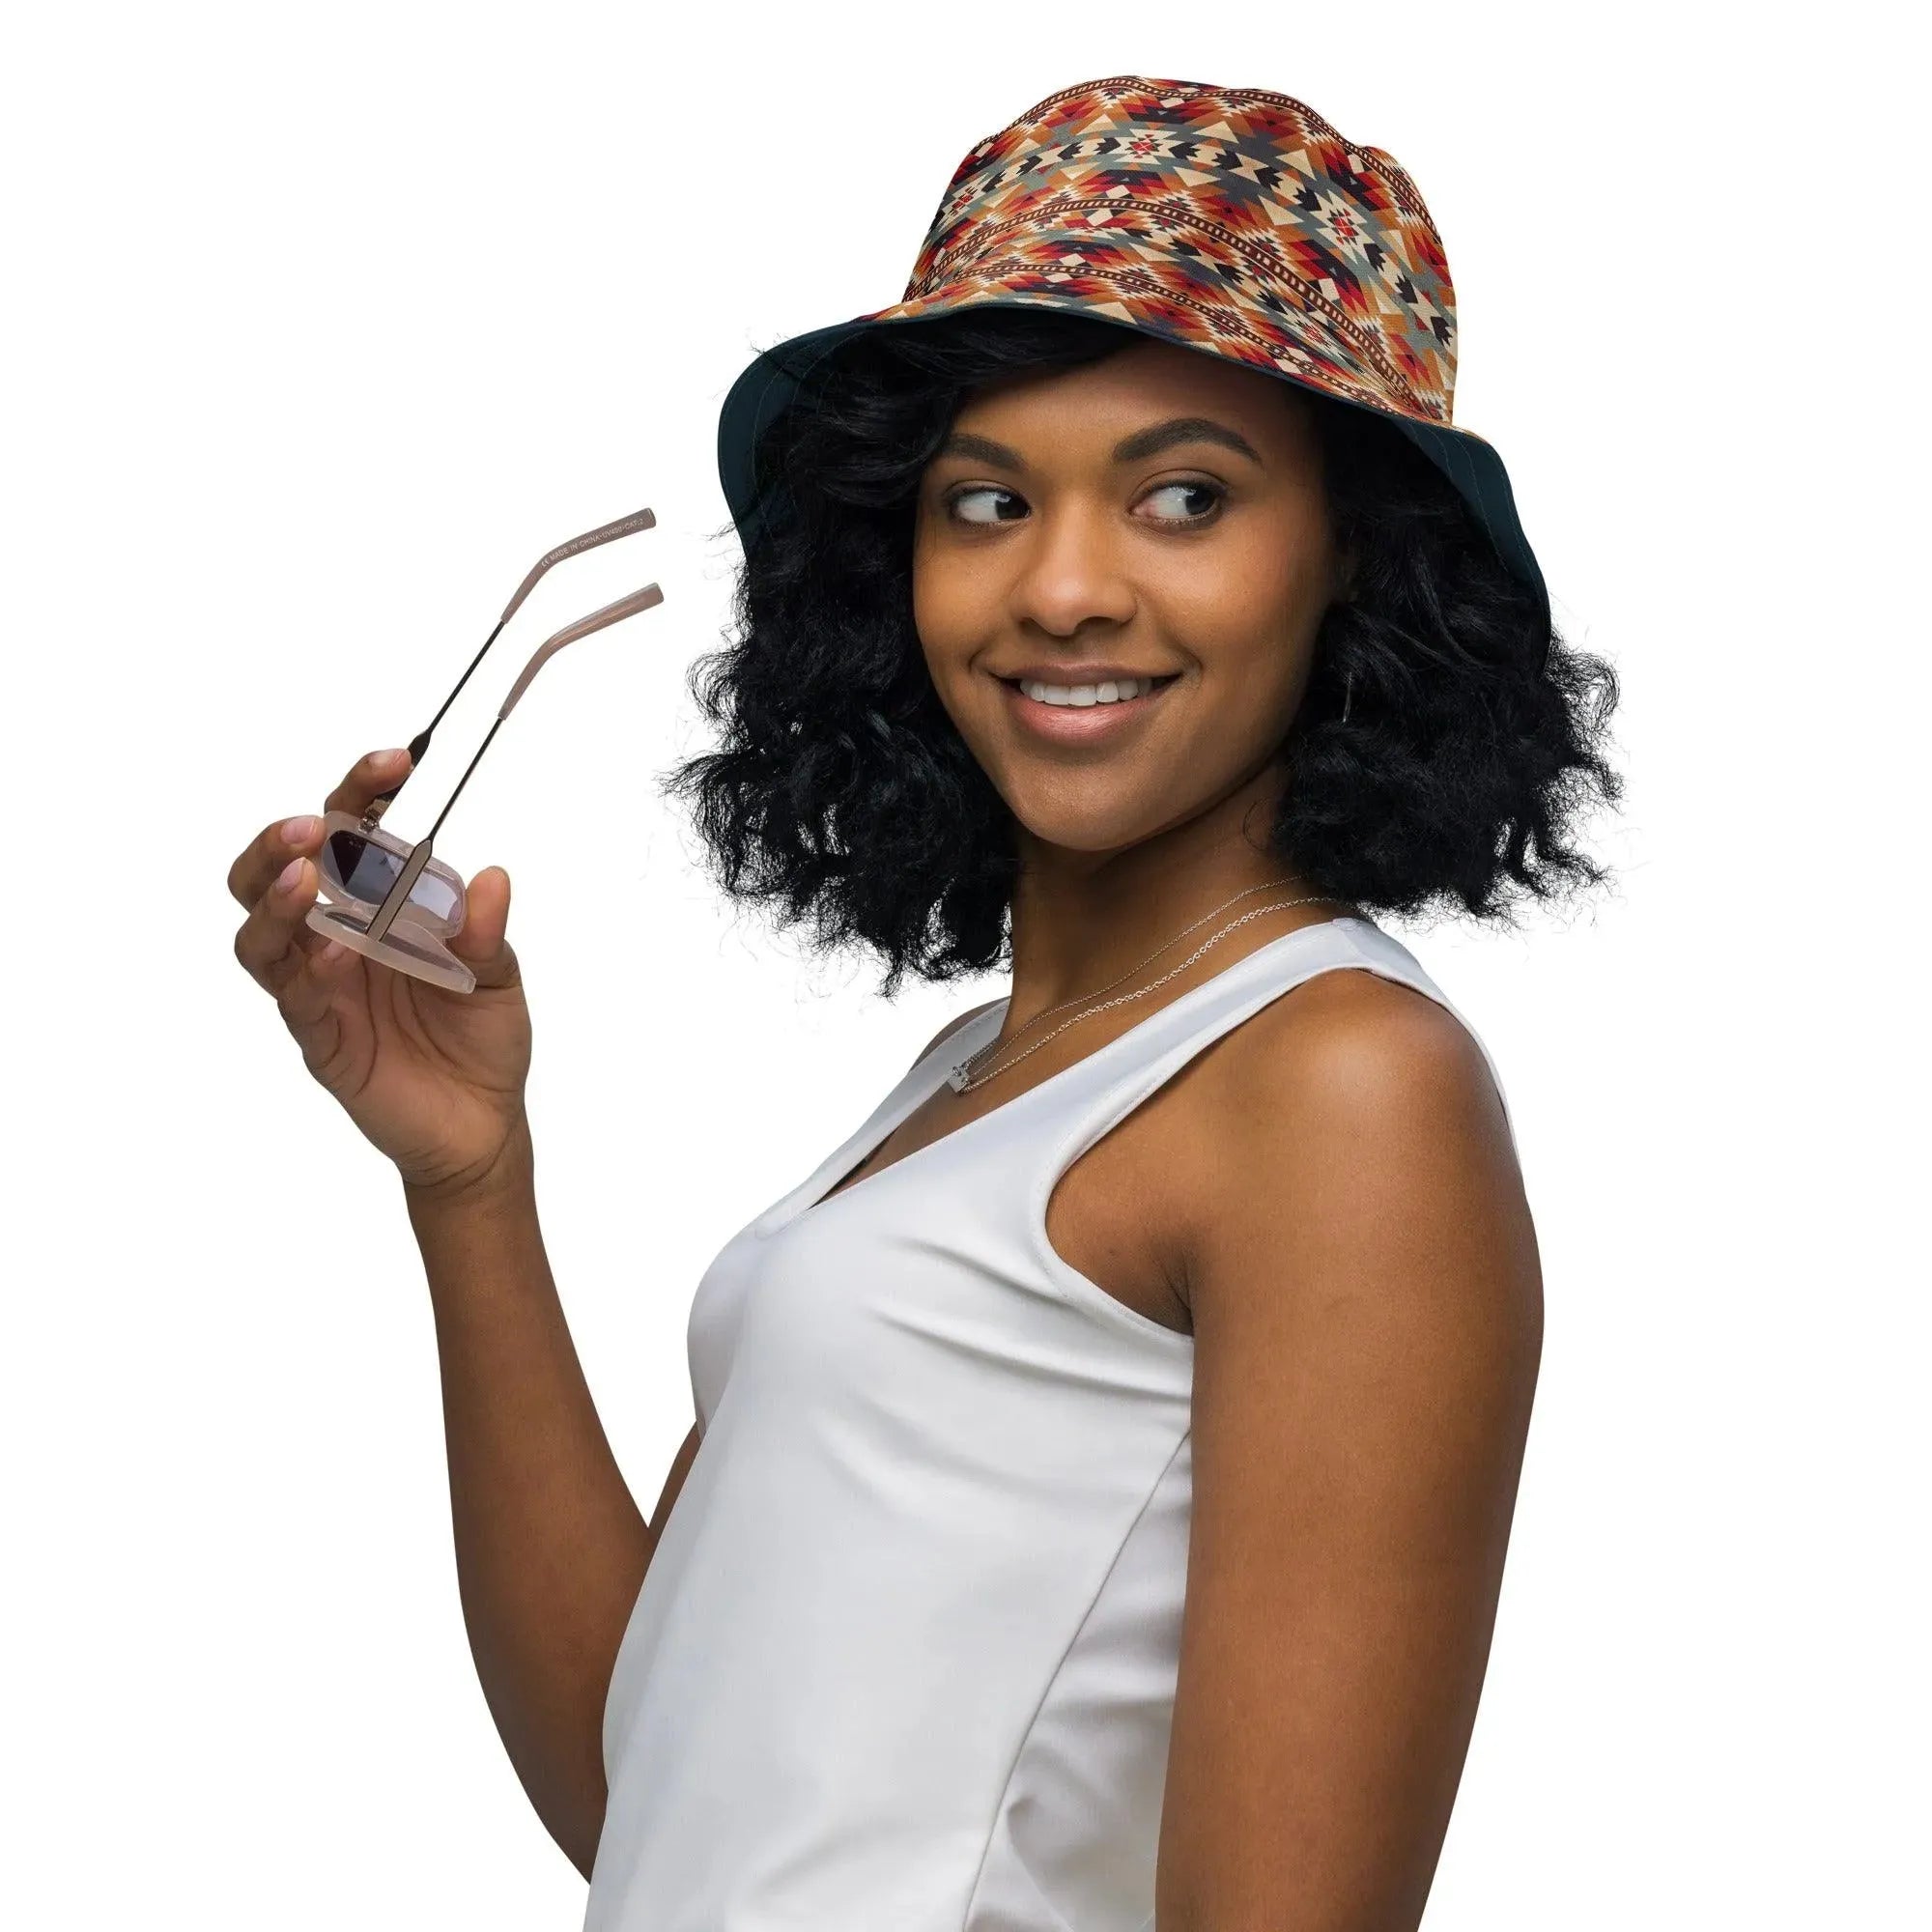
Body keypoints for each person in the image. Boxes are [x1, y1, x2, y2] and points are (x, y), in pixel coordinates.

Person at [228, 75, 1620, 1932]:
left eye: (1185, 497)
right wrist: (472, 1179)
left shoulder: (1342, 1088)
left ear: (1350, 551)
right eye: (987, 500)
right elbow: (648, 1794)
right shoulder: (976, 1079)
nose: (1063, 588)